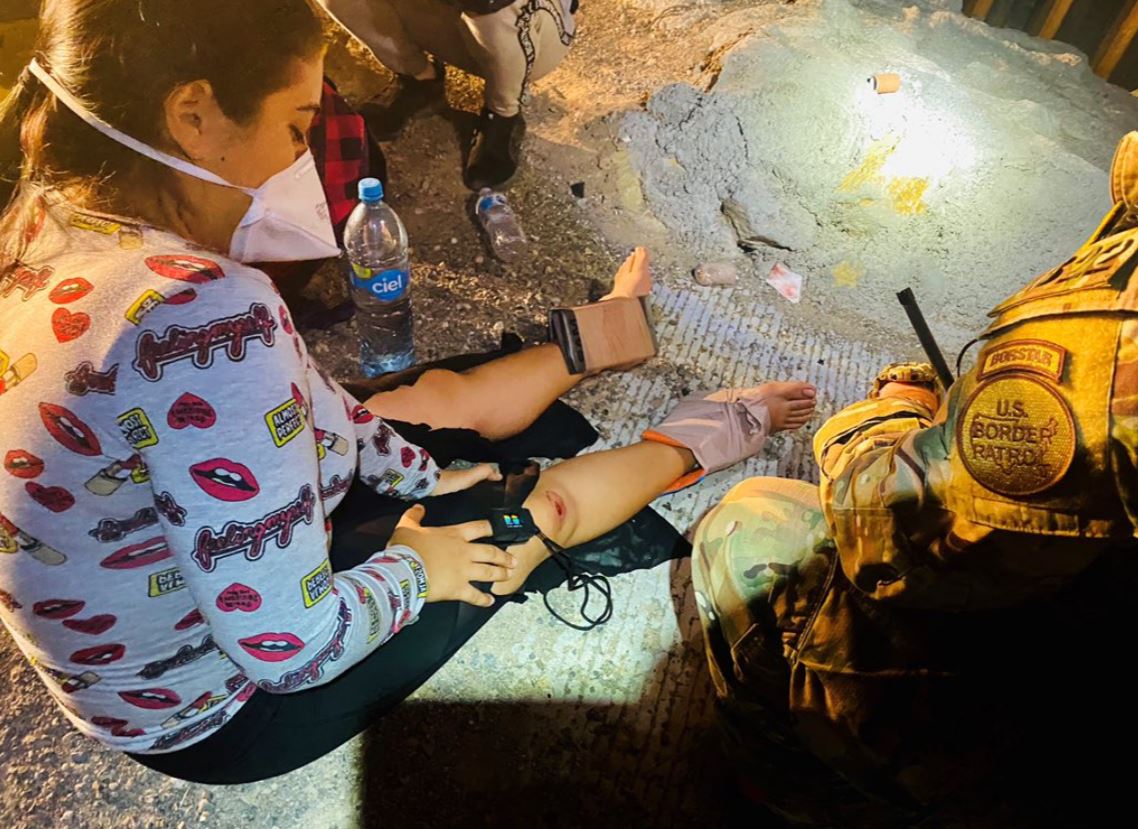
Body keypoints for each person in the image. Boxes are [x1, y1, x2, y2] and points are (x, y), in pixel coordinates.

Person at [0, 0, 816, 782]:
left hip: (155, 614)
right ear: (194, 114)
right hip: (223, 708)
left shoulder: (43, 226)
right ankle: (708, 434)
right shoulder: (201, 311)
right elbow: (292, 647)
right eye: (294, 128)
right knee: (513, 514)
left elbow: (324, 412)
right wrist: (417, 567)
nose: (302, 163)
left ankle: (602, 336)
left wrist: (424, 475)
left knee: (412, 410)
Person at [691, 133, 1138, 826]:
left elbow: (883, 533)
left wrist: (892, 415)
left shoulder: (1115, 337)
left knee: (755, 528)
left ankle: (799, 791)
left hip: (1065, 723)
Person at [317, 0, 578, 189]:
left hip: (534, 29)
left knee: (492, 6)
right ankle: (420, 82)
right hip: (447, 19)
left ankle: (503, 114)